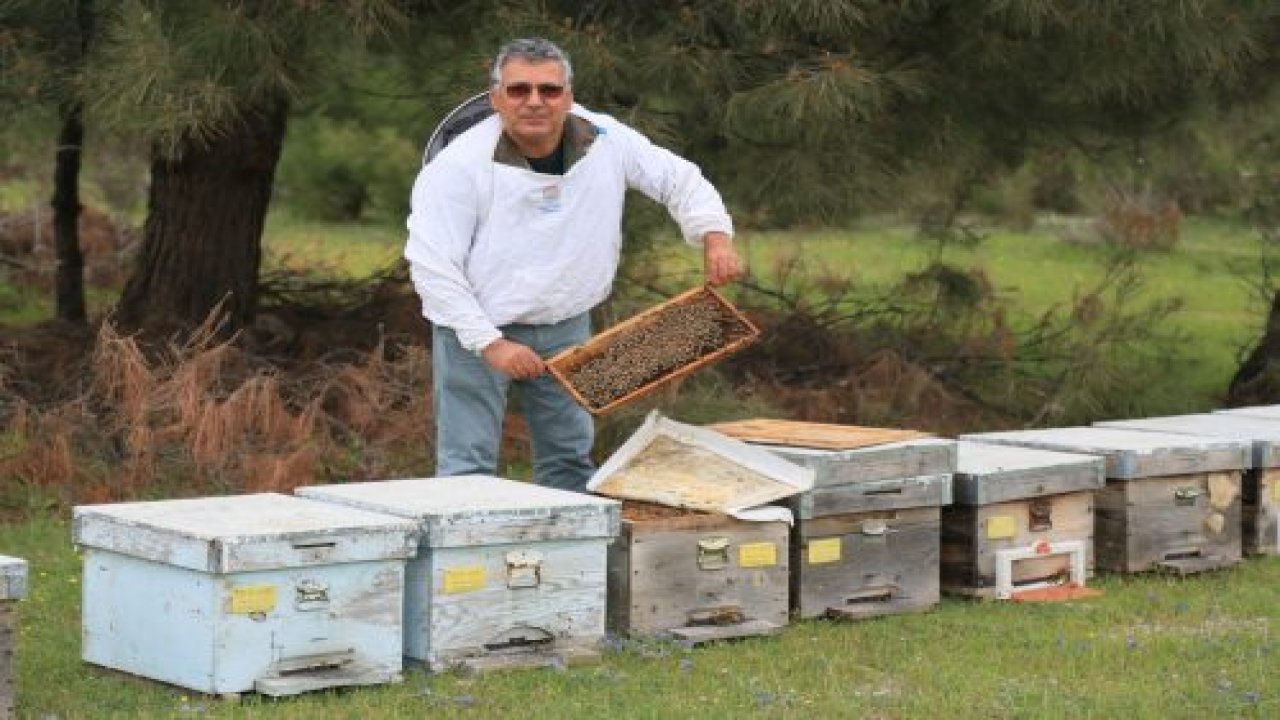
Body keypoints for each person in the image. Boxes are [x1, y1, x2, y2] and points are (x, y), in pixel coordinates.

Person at [404, 37, 743, 491]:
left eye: (549, 90)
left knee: (569, 460)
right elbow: (433, 267)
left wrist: (714, 236)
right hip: (476, 327)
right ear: (496, 98)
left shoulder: (607, 139)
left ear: (568, 95)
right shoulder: (457, 167)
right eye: (519, 89)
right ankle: (467, 562)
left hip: (566, 324)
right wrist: (491, 343)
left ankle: (566, 562)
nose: (535, 102)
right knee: (467, 469)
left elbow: (676, 178)